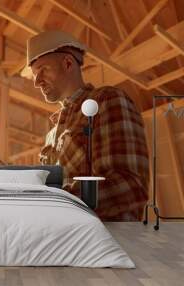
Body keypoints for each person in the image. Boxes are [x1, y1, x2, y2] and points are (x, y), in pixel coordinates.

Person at [26, 30, 149, 221]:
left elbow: (131, 186)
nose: (36, 82)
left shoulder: (106, 100)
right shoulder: (51, 136)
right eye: (34, 74)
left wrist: (55, 203)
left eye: (43, 69)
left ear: (68, 63)